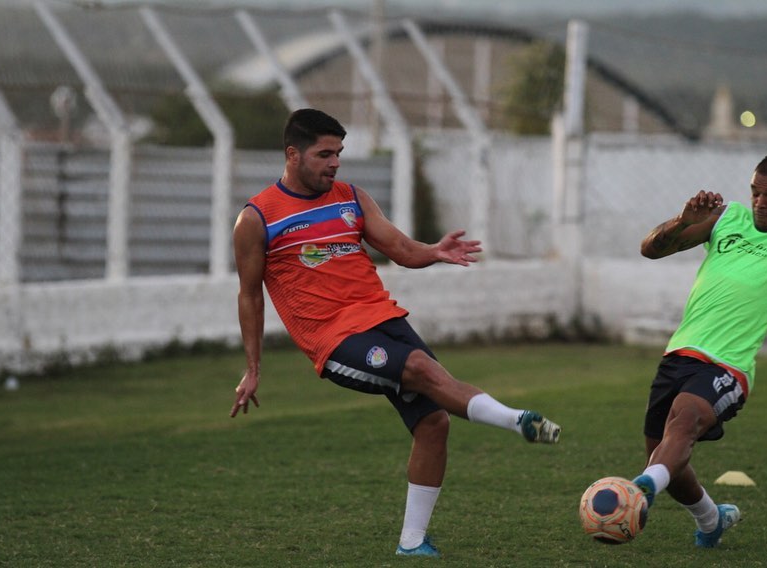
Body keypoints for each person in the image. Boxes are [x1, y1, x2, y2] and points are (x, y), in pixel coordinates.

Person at [230, 108, 561, 558]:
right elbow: (250, 295)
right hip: (335, 339)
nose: (335, 163)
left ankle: (412, 543)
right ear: (293, 154)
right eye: (325, 154)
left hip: (384, 320)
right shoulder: (258, 218)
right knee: (424, 369)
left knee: (433, 422)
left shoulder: (351, 197)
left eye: (339, 154)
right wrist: (252, 369)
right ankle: (517, 420)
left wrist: (435, 251)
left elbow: (401, 249)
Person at [631, 152, 767, 548]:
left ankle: (639, 490)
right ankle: (711, 520)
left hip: (730, 365)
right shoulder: (727, 218)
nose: (761, 203)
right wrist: (683, 222)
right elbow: (650, 250)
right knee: (666, 460)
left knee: (685, 420)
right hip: (679, 353)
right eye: (755, 193)